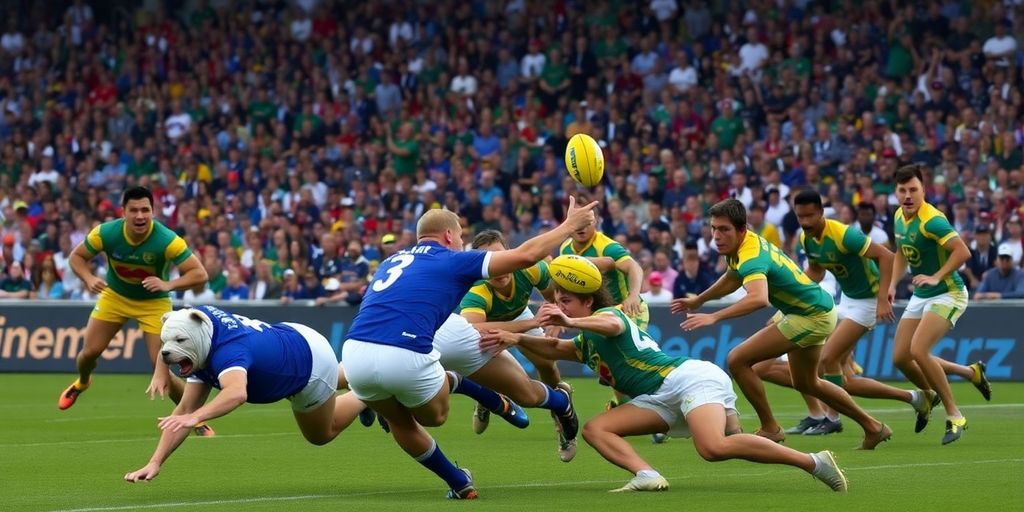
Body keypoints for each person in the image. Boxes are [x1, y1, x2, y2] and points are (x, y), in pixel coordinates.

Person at [478, 282, 849, 494]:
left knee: (713, 448)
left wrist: (567, 319)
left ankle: (814, 462)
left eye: (567, 301)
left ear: (588, 301)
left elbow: (609, 327)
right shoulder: (584, 341)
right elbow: (556, 348)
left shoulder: (609, 315)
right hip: (659, 397)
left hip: (688, 378)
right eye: (557, 301)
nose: (559, 306)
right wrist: (517, 339)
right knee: (595, 428)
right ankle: (647, 474)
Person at [341, 198, 596, 499]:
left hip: (355, 351)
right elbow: (527, 254)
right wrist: (569, 226)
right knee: (437, 416)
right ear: (449, 235)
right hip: (411, 349)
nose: (463, 242)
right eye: (461, 236)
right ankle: (467, 384)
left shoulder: (390, 261)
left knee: (401, 421)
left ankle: (459, 481)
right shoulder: (453, 259)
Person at [672, 199, 891, 448]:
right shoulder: (743, 246)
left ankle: (770, 428)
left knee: (737, 359)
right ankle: (874, 427)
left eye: (724, 229)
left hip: (810, 315)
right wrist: (699, 300)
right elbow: (732, 276)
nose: (717, 236)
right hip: (814, 310)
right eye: (713, 228)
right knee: (808, 383)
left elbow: (758, 298)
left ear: (742, 229)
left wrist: (714, 316)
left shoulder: (751, 255)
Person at [123, 306, 368, 482]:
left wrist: (196, 417)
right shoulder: (196, 327)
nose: (169, 351)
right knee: (331, 379)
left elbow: (236, 393)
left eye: (180, 342)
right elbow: (183, 405)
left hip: (309, 367)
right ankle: (366, 375)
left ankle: (365, 396)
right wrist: (154, 462)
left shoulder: (228, 352)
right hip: (294, 339)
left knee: (321, 434)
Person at [778, 190, 936, 436]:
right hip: (847, 300)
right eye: (801, 217)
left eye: (810, 216)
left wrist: (883, 299)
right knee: (845, 379)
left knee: (827, 359)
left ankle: (832, 418)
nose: (806, 222)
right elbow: (817, 272)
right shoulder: (806, 239)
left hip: (869, 302)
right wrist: (793, 295)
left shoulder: (844, 235)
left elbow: (887, 256)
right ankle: (916, 398)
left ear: (821, 212)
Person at [58, 187, 211, 434]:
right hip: (114, 297)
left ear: (152, 212)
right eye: (134, 210)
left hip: (154, 303)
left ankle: (195, 419)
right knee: (88, 354)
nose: (140, 216)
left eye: (145, 210)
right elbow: (76, 258)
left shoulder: (167, 240)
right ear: (123, 212)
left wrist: (168, 284)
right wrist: (87, 278)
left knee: (161, 365)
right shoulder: (106, 233)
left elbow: (200, 275)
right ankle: (83, 382)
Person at [890, 164, 990, 444]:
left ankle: (954, 414)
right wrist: (890, 285)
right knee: (900, 358)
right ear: (896, 192)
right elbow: (900, 253)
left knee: (919, 351)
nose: (908, 195)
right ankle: (969, 374)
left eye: (914, 189)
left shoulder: (932, 220)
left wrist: (936, 276)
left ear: (924, 189)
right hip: (921, 294)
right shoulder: (899, 216)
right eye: (903, 190)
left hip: (949, 292)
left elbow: (962, 251)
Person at [456, 230, 574, 454]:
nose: (498, 267)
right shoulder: (476, 290)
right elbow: (473, 329)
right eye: (489, 261)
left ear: (509, 253)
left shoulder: (531, 268)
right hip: (487, 328)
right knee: (491, 374)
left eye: (500, 257)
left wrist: (558, 315)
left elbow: (553, 296)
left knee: (547, 364)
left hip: (520, 316)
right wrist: (531, 325)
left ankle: (561, 417)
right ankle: (486, 398)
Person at [559, 214, 646, 411]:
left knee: (633, 366)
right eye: (577, 223)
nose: (581, 228)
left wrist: (633, 295)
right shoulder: (565, 248)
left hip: (628, 311)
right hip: (599, 318)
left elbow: (634, 267)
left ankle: (656, 412)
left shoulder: (608, 246)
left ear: (595, 222)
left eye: (586, 223)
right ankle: (626, 409)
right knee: (611, 370)